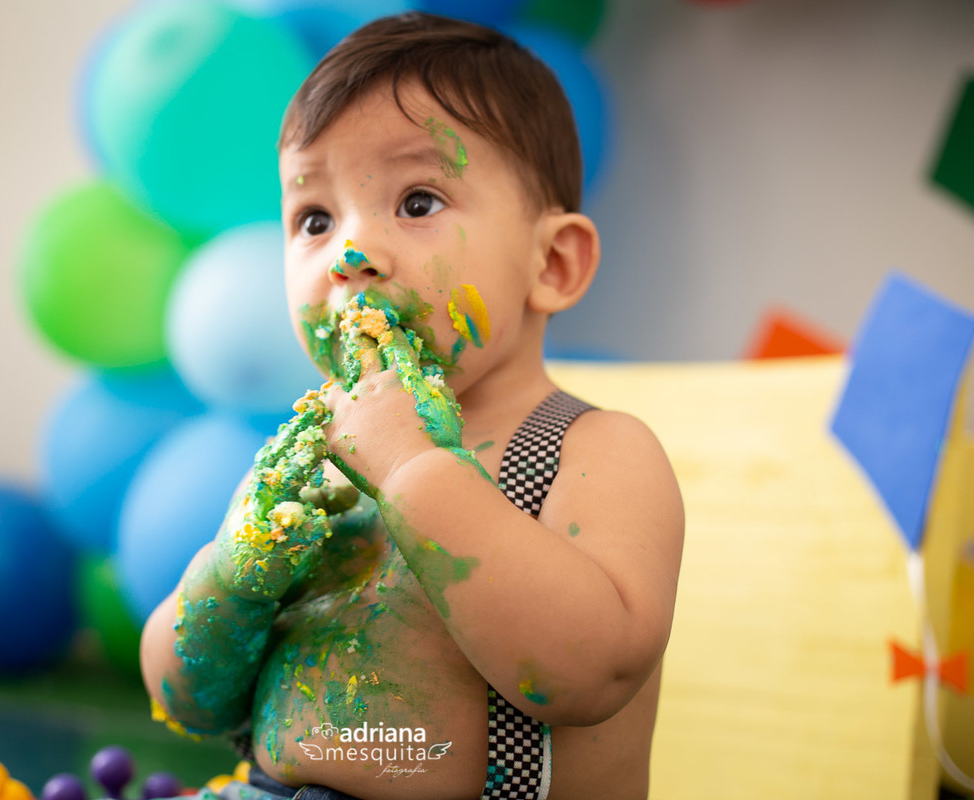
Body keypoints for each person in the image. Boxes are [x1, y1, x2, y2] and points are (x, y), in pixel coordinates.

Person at [141, 12, 684, 800]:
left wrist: (411, 470)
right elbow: (186, 702)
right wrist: (233, 574)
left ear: (554, 263)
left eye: (419, 201)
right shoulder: (304, 472)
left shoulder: (596, 454)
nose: (348, 258)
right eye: (315, 220)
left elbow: (590, 671)